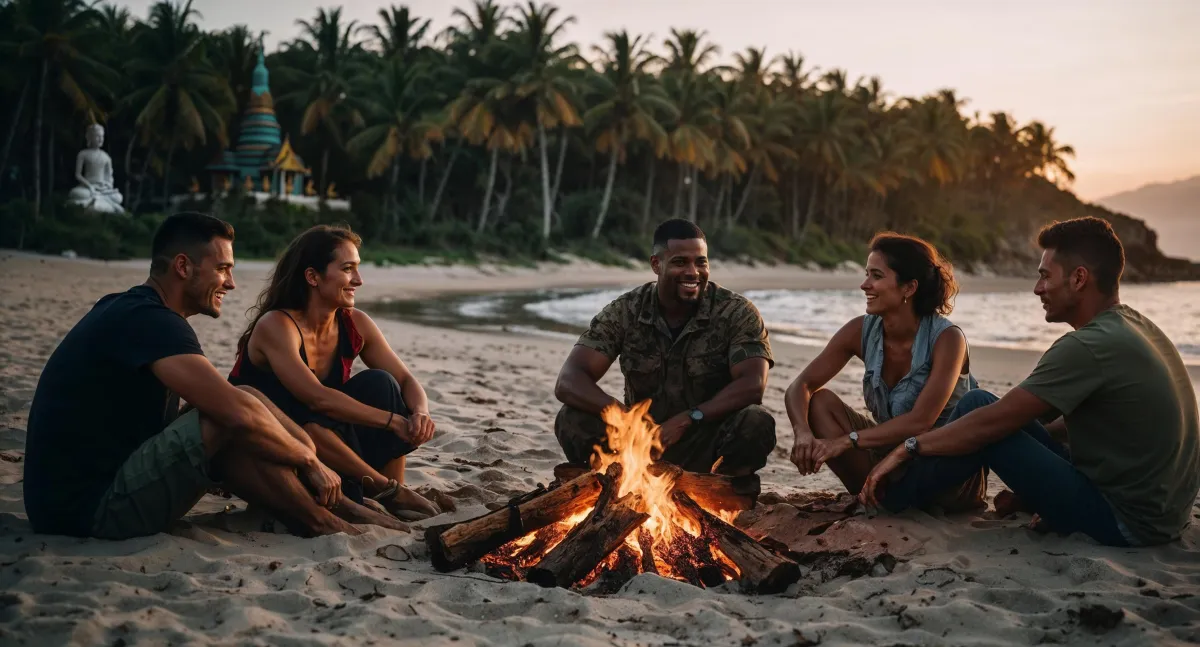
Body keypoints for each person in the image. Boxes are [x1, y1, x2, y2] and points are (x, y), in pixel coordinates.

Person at [23, 213, 405, 539]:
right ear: (184, 267)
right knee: (225, 413)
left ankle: (339, 512)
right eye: (223, 269)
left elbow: (239, 399)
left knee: (236, 399)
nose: (232, 283)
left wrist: (302, 448)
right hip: (86, 512)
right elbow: (235, 412)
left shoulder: (133, 310)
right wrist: (310, 461)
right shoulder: (152, 321)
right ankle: (324, 519)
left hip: (76, 501)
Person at [861, 217, 1200, 546]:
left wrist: (908, 448)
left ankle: (892, 499)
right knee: (993, 414)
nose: (1037, 289)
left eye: (1044, 276)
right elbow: (1083, 423)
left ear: (1079, 278)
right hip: (1166, 515)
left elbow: (993, 422)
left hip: (1125, 522)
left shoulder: (1086, 346)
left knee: (978, 406)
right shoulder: (1138, 327)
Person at [230, 225, 441, 520]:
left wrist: (420, 412)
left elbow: (406, 379)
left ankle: (393, 492)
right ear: (313, 276)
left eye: (357, 269)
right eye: (347, 269)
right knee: (310, 418)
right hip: (279, 450)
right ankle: (385, 490)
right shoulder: (276, 325)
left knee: (383, 383)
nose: (358, 280)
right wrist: (393, 421)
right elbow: (317, 399)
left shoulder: (355, 323)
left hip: (329, 445)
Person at [553, 219, 776, 475]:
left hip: (704, 441)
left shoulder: (736, 311)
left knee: (756, 421)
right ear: (656, 265)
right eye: (680, 262)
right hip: (638, 444)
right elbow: (569, 381)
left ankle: (726, 491)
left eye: (701, 262)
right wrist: (627, 419)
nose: (693, 272)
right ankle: (612, 482)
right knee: (571, 417)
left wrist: (690, 418)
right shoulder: (626, 310)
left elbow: (753, 384)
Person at [784, 233, 986, 511]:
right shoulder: (861, 330)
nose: (864, 284)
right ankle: (876, 496)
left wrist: (846, 441)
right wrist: (802, 433)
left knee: (919, 461)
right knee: (819, 403)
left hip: (944, 466)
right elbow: (801, 385)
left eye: (876, 276)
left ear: (908, 288)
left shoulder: (948, 339)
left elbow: (920, 421)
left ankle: (889, 498)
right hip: (891, 458)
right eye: (866, 274)